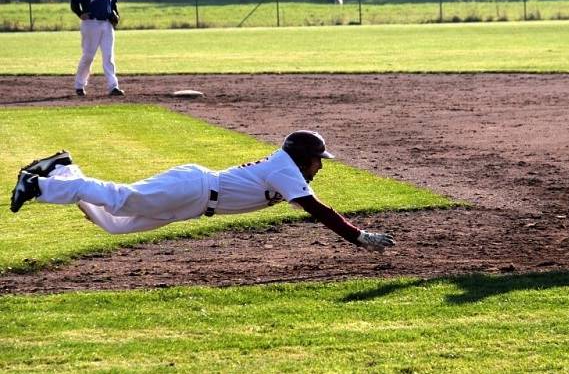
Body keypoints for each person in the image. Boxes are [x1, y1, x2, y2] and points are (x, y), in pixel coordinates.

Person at [8, 131, 396, 253]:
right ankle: (40, 185)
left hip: (194, 200)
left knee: (114, 224)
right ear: (301, 156)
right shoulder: (285, 169)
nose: (321, 165)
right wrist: (358, 237)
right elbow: (318, 210)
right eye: (318, 158)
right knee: (120, 198)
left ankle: (64, 168)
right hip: (194, 188)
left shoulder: (286, 166)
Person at [70, 0, 124, 97]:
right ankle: (79, 85)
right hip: (91, 24)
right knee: (88, 56)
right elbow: (74, 3)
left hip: (106, 24)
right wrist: (80, 14)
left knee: (108, 56)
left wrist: (116, 16)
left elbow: (113, 6)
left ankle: (113, 86)